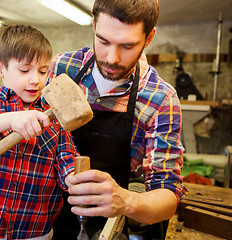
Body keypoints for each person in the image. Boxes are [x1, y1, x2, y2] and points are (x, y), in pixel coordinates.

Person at [49, 0, 188, 238]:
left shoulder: (161, 99)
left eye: (127, 45)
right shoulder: (61, 68)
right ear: (94, 24)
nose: (112, 58)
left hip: (109, 229)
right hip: (46, 222)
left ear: (149, 37)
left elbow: (167, 196)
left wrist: (127, 202)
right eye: (103, 41)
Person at [0, 24, 78, 240]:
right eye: (24, 70)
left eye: (42, 71)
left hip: (36, 227)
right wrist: (11, 119)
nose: (35, 80)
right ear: (0, 69)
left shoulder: (53, 115)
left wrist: (75, 180)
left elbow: (67, 160)